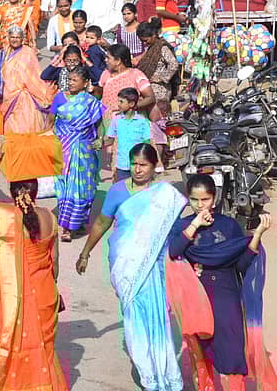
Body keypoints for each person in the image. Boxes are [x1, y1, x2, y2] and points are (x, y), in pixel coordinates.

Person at [76, 144, 185, 391]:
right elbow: (102, 223)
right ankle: (144, 368)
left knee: (156, 316)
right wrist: (85, 253)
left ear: (154, 166)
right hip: (125, 265)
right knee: (133, 316)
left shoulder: (164, 195)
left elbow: (176, 231)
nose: (137, 169)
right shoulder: (117, 191)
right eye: (134, 163)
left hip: (155, 267)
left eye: (143, 165)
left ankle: (159, 368)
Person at [0, 140, 69, 391]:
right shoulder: (49, 217)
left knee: (11, 344)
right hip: (44, 292)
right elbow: (54, 262)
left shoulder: (6, 214)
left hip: (13, 296)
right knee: (40, 347)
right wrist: (54, 292)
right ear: (36, 191)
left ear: (12, 192)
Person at [168, 175, 277, 391]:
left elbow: (241, 265)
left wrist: (257, 235)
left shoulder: (228, 226)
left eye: (205, 199)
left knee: (232, 353)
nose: (200, 205)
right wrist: (195, 224)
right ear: (188, 199)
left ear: (215, 198)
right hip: (197, 298)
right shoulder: (182, 226)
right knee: (202, 353)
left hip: (226, 297)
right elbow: (173, 251)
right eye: (194, 200)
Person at [51, 66, 105, 242]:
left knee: (82, 187)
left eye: (75, 80)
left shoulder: (91, 102)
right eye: (69, 79)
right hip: (63, 149)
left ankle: (74, 223)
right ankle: (68, 224)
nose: (70, 83)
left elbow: (98, 125)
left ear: (85, 83)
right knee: (64, 187)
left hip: (84, 151)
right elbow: (51, 122)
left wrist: (100, 140)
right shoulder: (60, 98)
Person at [0, 25, 53, 134]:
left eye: (18, 37)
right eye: (12, 37)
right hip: (8, 95)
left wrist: (42, 92)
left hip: (24, 95)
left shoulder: (28, 53)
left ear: (22, 39)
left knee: (25, 125)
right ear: (8, 38)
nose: (15, 39)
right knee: (11, 126)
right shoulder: (3, 53)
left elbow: (35, 74)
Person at [136, 19, 179, 146]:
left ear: (154, 35)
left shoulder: (162, 47)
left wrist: (161, 78)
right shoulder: (151, 48)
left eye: (146, 40)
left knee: (159, 121)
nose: (144, 43)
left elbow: (173, 64)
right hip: (151, 89)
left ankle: (164, 148)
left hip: (160, 90)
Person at [105, 88, 152, 182]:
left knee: (138, 189)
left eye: (121, 101)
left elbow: (147, 143)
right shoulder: (116, 120)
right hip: (122, 165)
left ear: (131, 104)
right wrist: (99, 144)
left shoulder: (142, 121)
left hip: (138, 165)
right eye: (118, 101)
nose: (118, 104)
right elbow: (110, 140)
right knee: (123, 188)